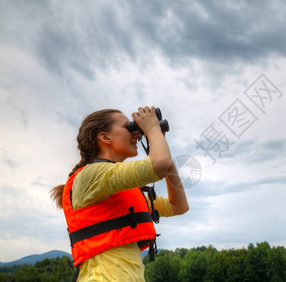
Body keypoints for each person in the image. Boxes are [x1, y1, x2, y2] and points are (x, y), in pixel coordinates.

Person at [50, 106, 189, 281]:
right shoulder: (90, 175)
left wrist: (161, 144)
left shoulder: (123, 192)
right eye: (129, 127)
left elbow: (179, 206)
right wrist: (153, 130)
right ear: (105, 137)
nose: (137, 134)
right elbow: (160, 164)